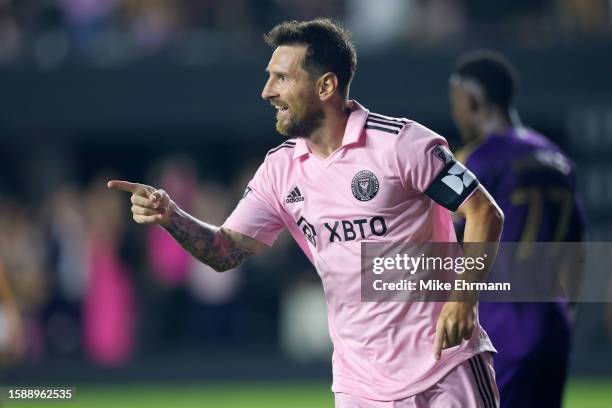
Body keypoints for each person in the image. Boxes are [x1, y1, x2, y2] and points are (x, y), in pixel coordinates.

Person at [109, 19, 504, 407]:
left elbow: (485, 212)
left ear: (326, 85)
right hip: (359, 386)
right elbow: (223, 250)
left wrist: (463, 300)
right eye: (269, 77)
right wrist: (171, 216)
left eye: (282, 78)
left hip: (444, 367)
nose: (267, 92)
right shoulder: (280, 171)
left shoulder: (401, 144)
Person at [449, 50, 586, 408]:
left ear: (472, 101)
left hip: (503, 322)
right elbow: (577, 250)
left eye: (457, 102)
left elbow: (448, 237)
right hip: (554, 323)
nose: (455, 112)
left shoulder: (477, 160)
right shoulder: (558, 159)